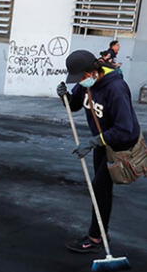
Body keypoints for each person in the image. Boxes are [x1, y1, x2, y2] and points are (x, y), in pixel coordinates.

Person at [56, 50, 141, 253]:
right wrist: (65, 96)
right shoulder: (87, 81)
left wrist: (95, 141)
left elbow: (125, 129)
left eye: (82, 78)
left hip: (119, 145)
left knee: (99, 188)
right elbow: (75, 104)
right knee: (101, 190)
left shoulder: (116, 88)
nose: (81, 82)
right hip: (101, 143)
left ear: (93, 71)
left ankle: (95, 237)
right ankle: (101, 234)